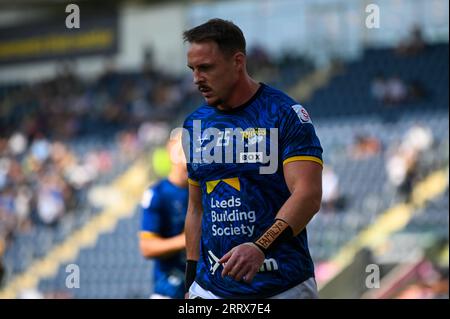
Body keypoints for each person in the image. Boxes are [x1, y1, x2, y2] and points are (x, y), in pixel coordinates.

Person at [181, 19, 323, 299]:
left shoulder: (284, 114)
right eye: (193, 69)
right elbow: (196, 209)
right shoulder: (193, 125)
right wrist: (189, 282)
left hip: (283, 286)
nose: (197, 79)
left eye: (206, 68)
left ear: (237, 62)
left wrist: (260, 246)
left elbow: (308, 195)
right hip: (210, 290)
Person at [139, 131, 188, 299]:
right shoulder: (157, 193)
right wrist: (186, 241)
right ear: (171, 149)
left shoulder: (207, 190)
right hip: (169, 289)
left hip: (204, 289)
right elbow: (147, 247)